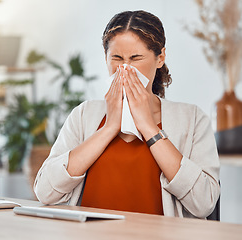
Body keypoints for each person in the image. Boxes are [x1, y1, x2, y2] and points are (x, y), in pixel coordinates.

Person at [34, 10, 220, 218]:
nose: (125, 68)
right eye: (117, 58)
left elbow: (205, 203)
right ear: (105, 58)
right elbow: (45, 192)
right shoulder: (84, 114)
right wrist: (109, 128)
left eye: (135, 58)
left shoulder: (193, 120)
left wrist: (149, 127)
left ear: (160, 58)